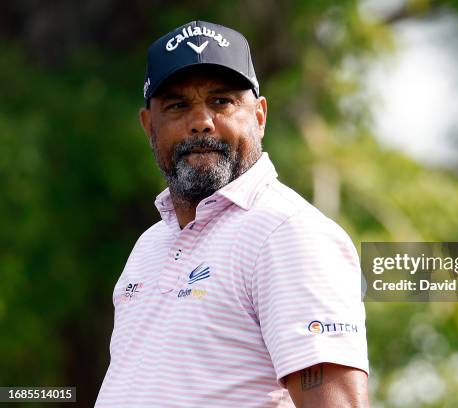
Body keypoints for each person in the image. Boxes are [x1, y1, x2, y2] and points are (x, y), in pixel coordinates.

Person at [95, 20, 369, 408]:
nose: (201, 121)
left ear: (259, 115)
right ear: (148, 126)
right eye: (177, 105)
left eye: (222, 101)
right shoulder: (150, 244)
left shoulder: (288, 233)